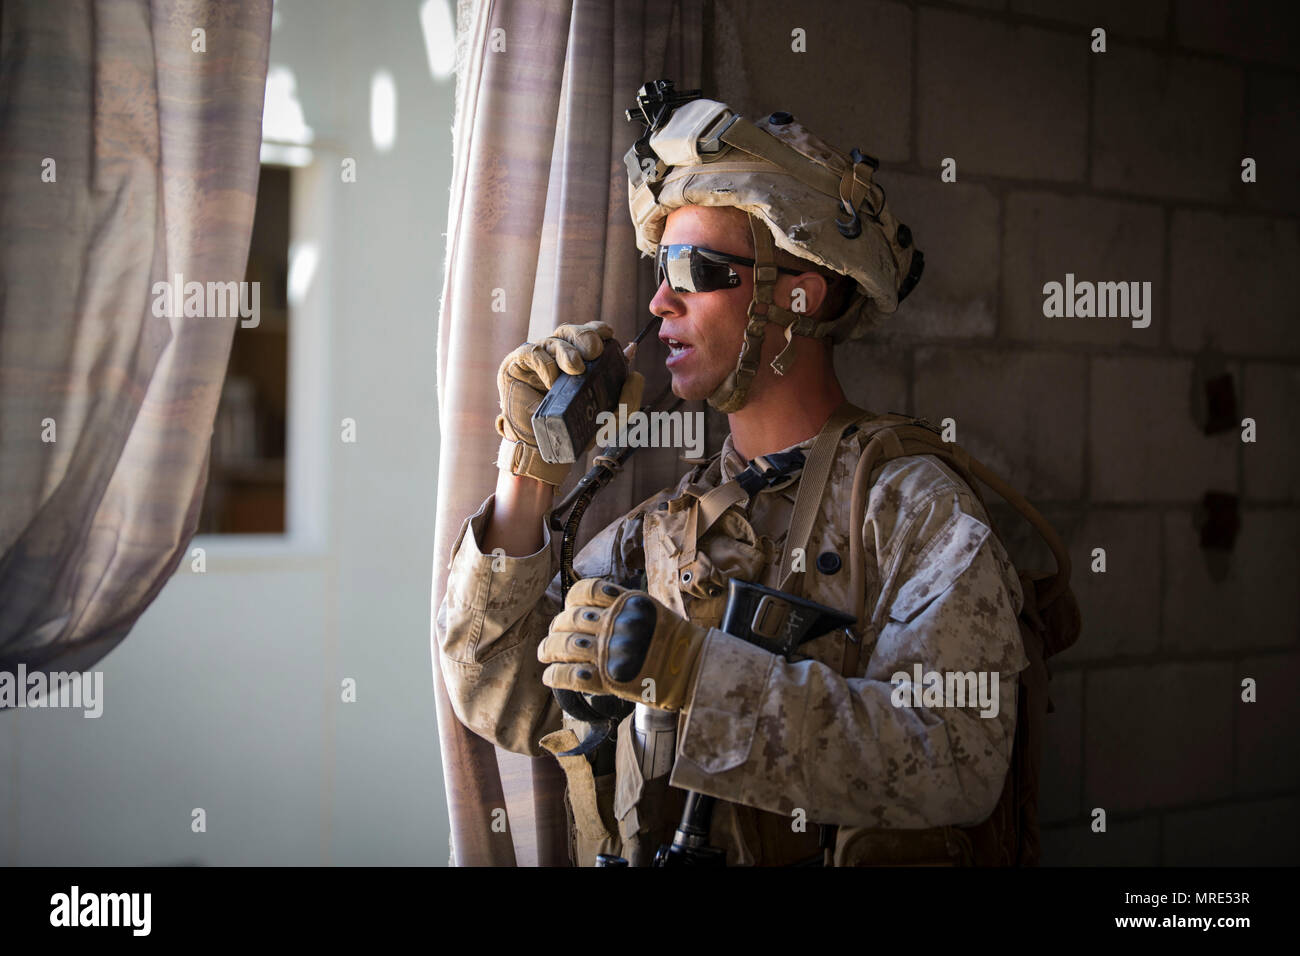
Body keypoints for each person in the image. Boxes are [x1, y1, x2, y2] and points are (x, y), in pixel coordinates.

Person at [436, 84, 1031, 866]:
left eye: (694, 268)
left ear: (797, 295)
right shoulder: (670, 526)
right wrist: (530, 466)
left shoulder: (911, 511)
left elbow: (957, 758)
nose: (659, 301)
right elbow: (501, 690)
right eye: (661, 266)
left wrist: (693, 671)